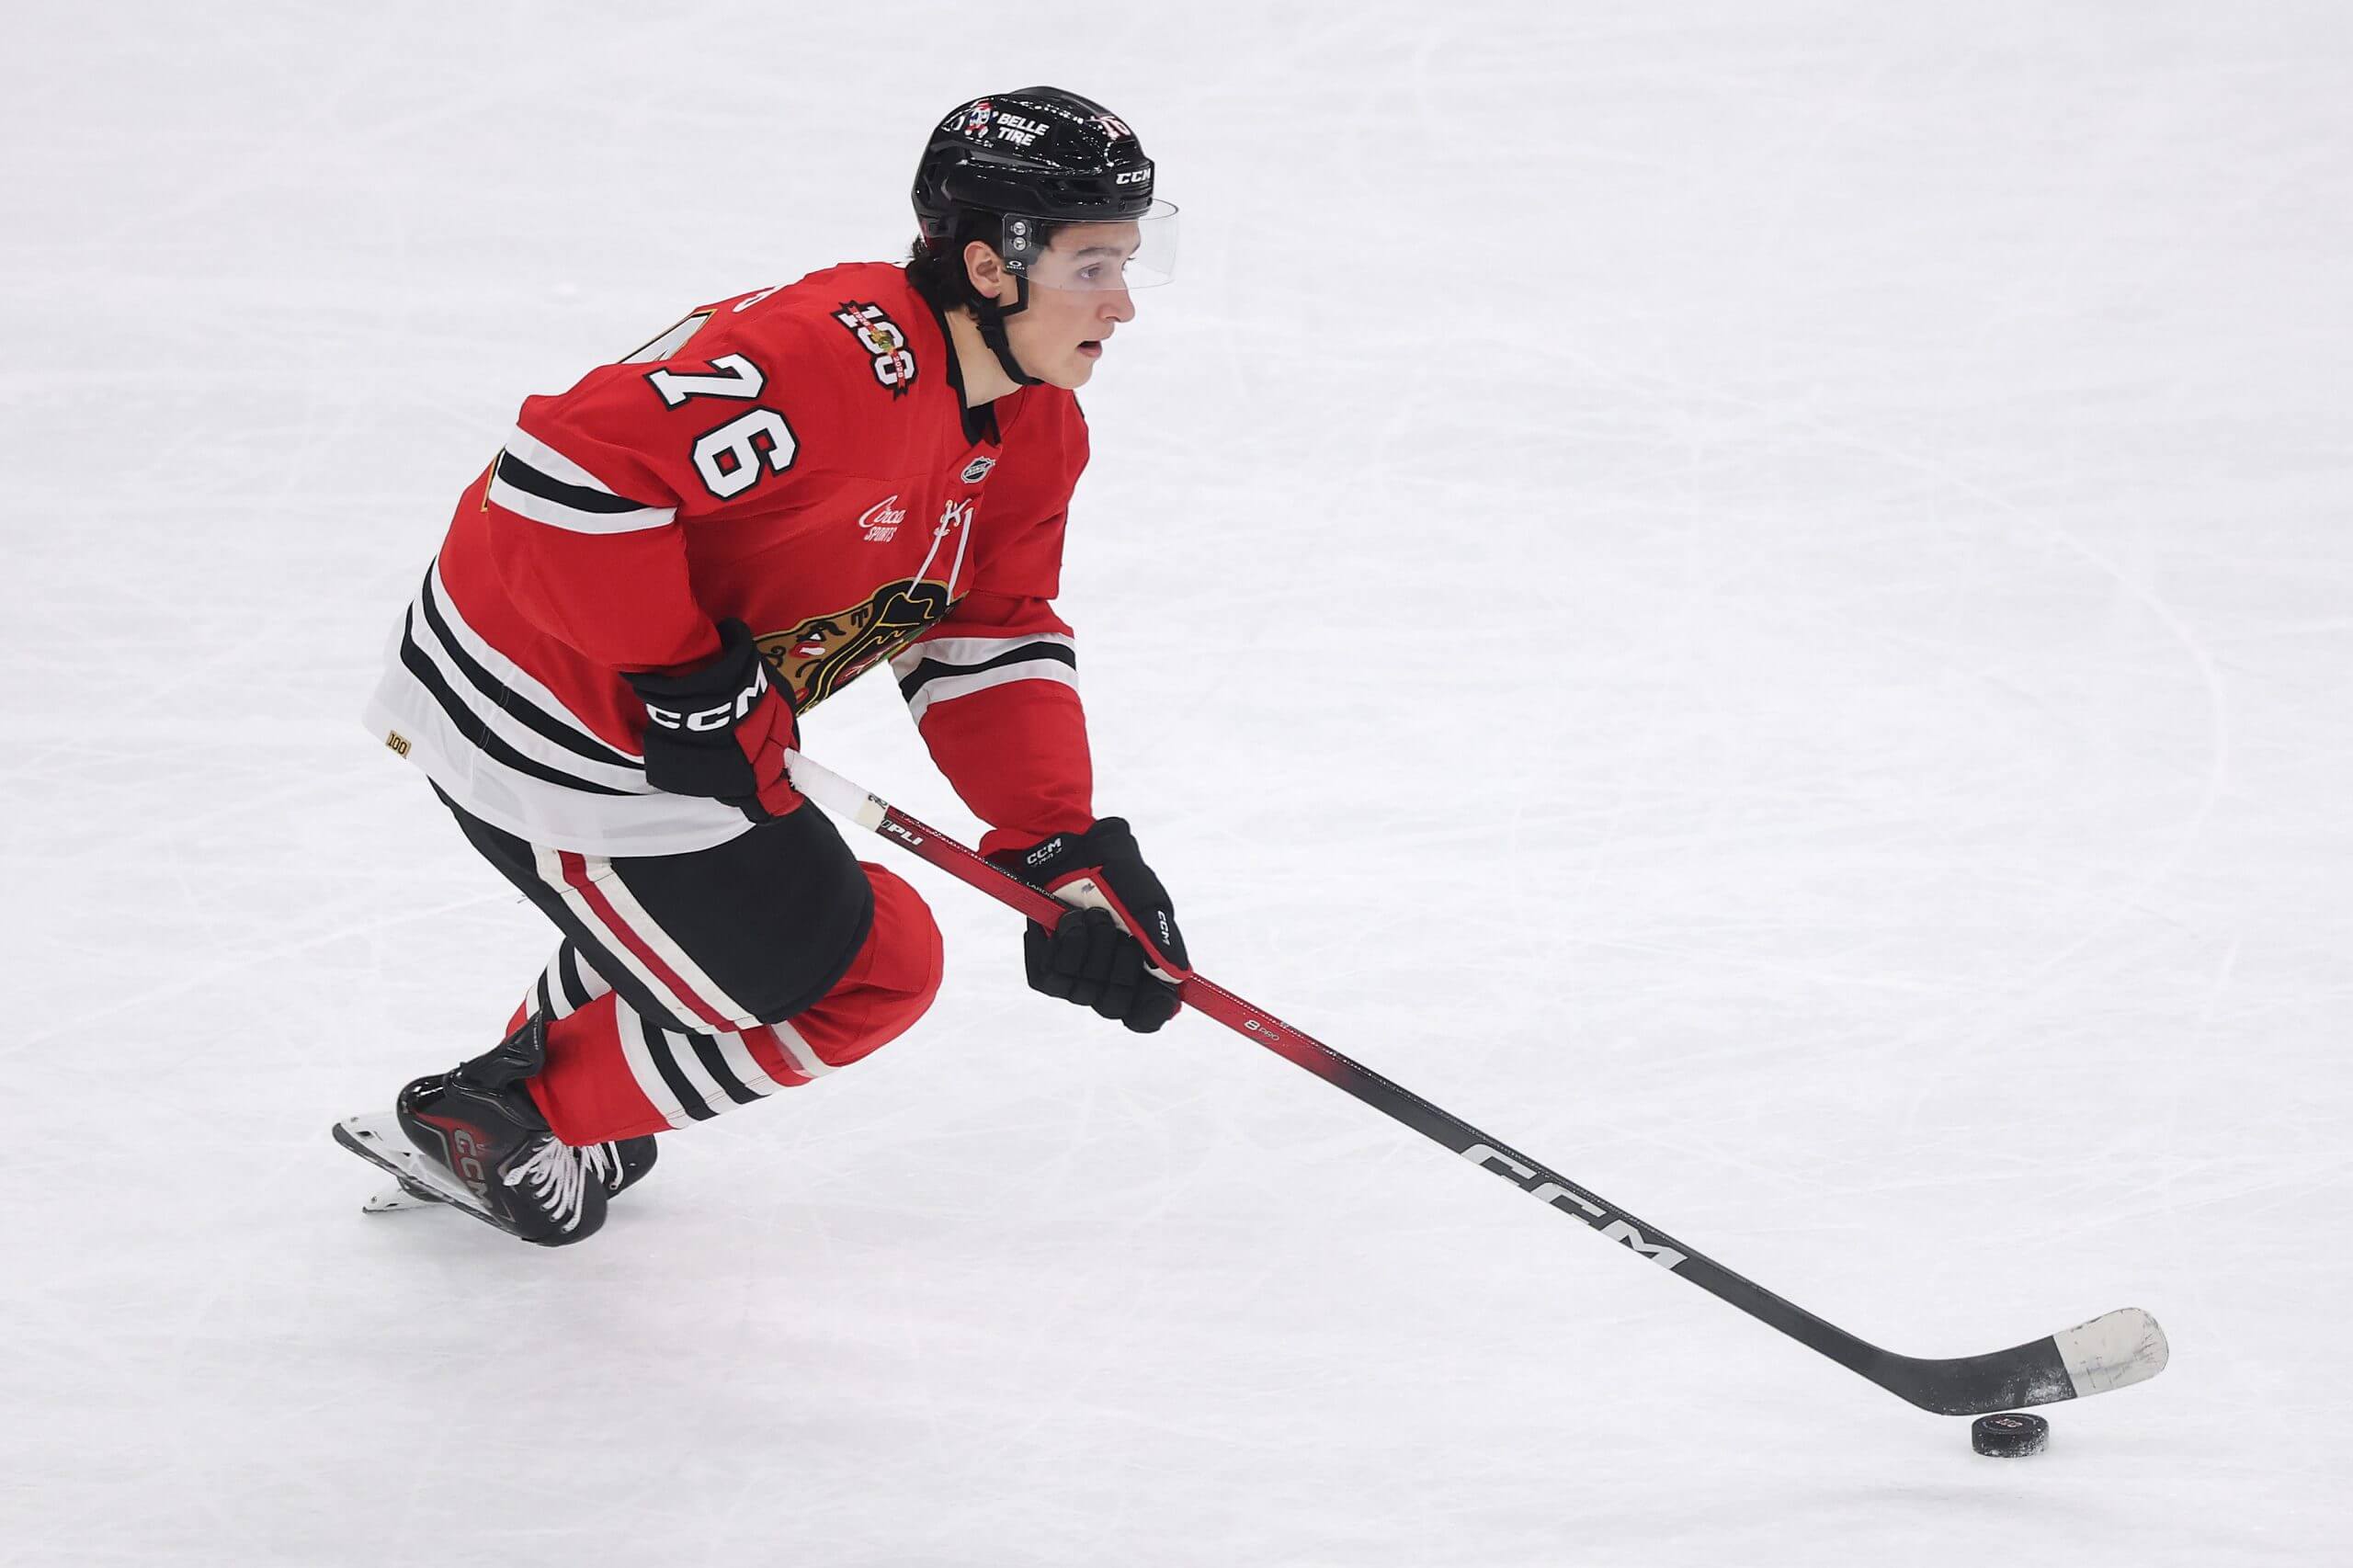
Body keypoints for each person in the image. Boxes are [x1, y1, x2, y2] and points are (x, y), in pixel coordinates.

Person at [345, 87, 1191, 1246]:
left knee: (776, 931)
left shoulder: (1034, 423)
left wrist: (1058, 844)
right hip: (558, 715)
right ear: (994, 266)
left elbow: (987, 625)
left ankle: (533, 1085)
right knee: (871, 968)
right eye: (1094, 266)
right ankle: (512, 1116)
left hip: (679, 732)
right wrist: (685, 678)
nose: (1125, 304)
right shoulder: (836, 353)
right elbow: (562, 478)